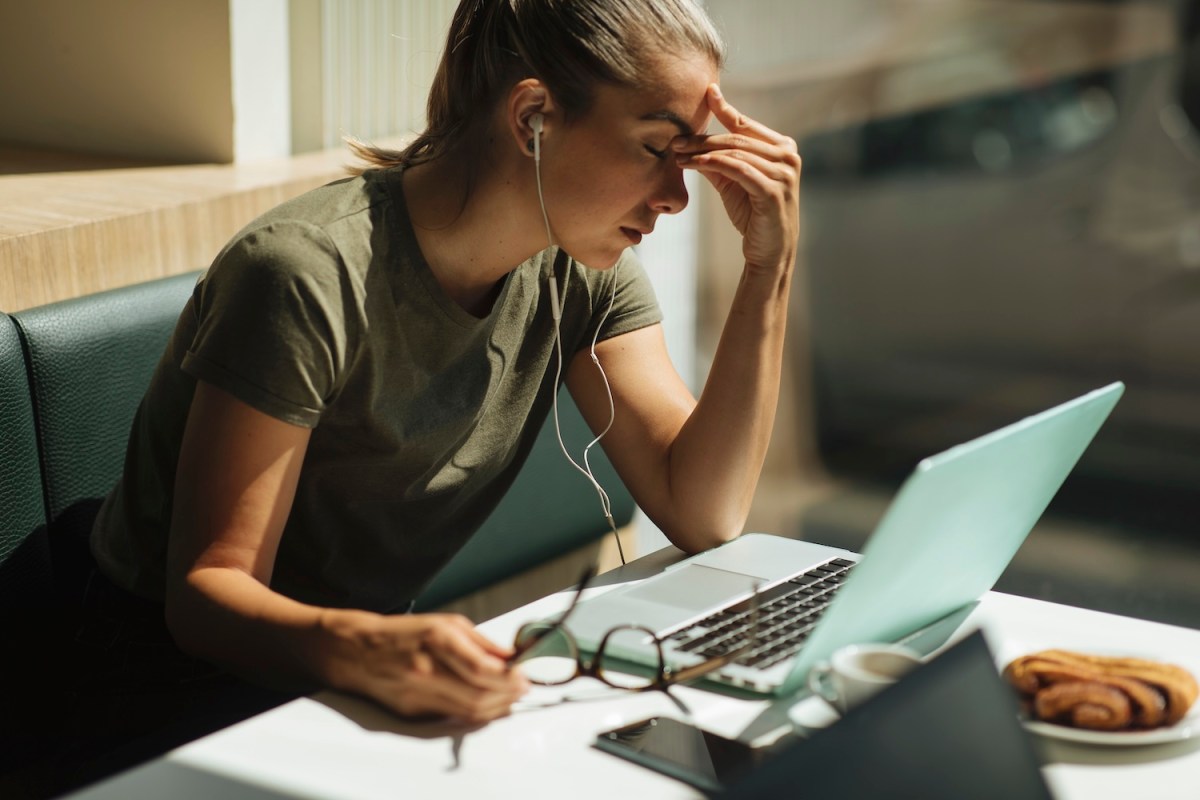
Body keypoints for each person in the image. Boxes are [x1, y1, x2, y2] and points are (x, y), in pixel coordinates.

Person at [89, 0, 801, 727]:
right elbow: (208, 599)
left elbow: (705, 512)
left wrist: (768, 268)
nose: (678, 199)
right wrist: (372, 649)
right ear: (533, 117)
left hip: (344, 682)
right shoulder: (304, 275)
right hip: (158, 701)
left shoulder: (582, 269)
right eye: (658, 149)